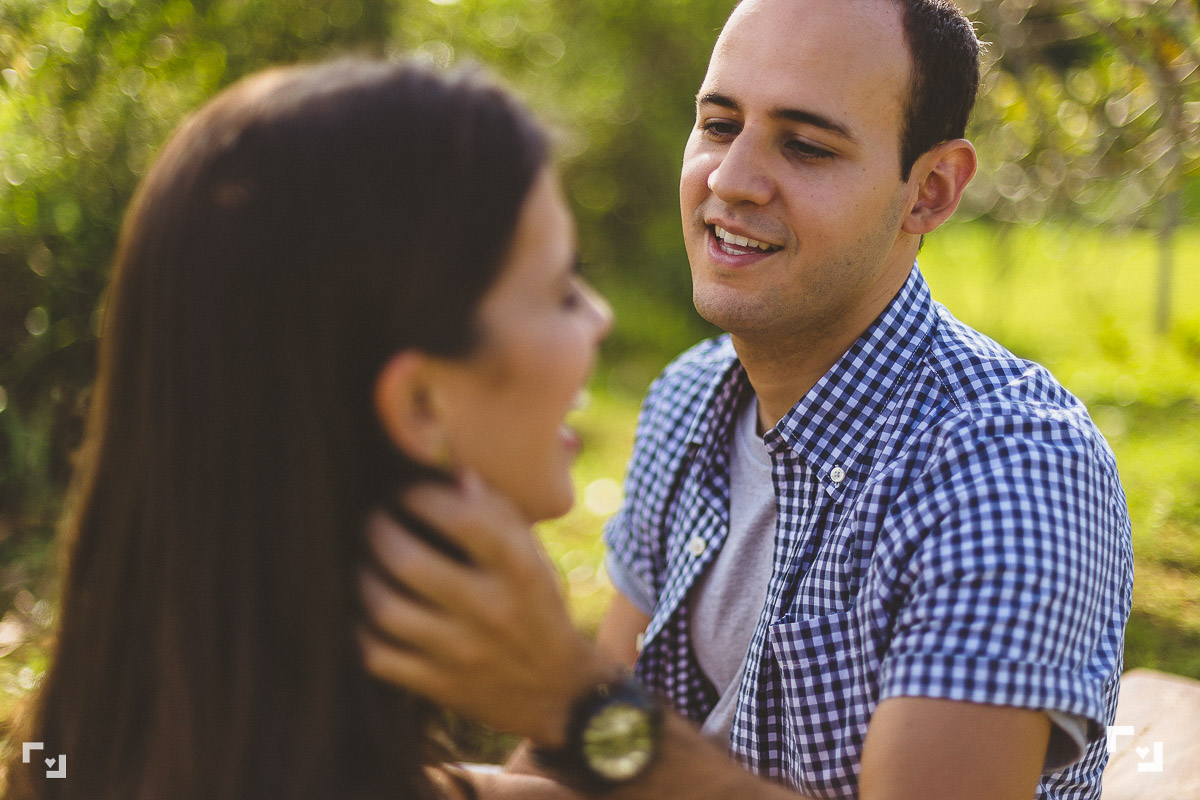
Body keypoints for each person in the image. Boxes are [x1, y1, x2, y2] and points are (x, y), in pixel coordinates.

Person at [357, 1, 1134, 798]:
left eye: (804, 145)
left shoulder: (1009, 471)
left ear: (929, 191)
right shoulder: (689, 400)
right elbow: (596, 773)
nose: (730, 181)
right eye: (720, 124)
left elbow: (605, 741)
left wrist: (567, 699)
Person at [4, 57, 614, 800]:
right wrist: (579, 704)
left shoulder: (73, 762)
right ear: (421, 404)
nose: (600, 318)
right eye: (560, 293)